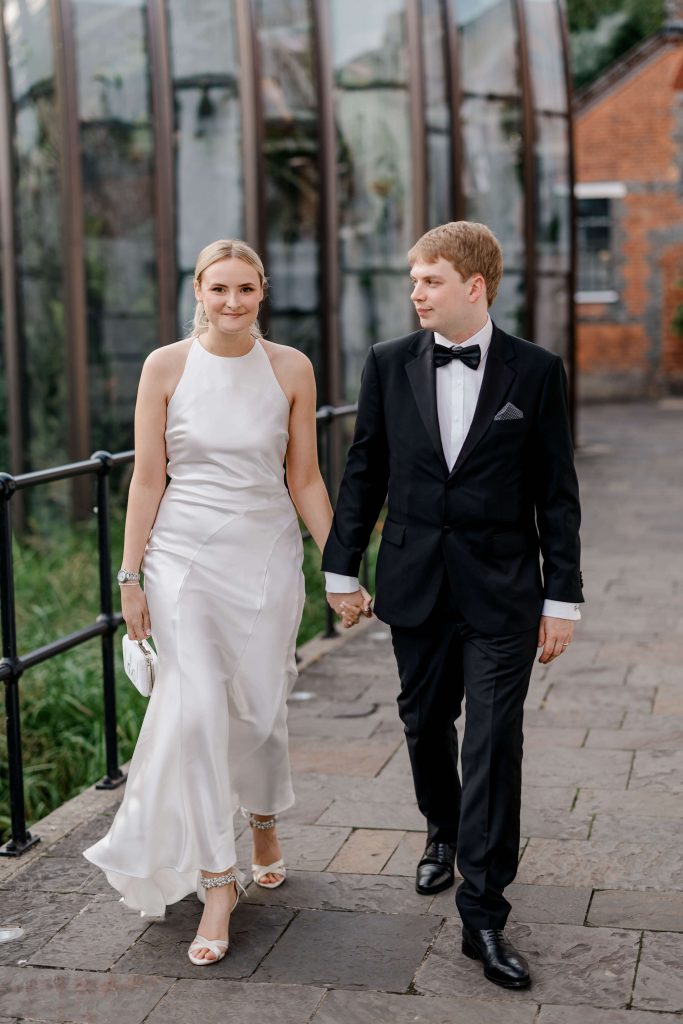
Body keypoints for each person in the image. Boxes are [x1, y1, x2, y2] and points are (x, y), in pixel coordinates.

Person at [84, 238, 367, 967]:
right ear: (197, 292)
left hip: (265, 555)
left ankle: (264, 817)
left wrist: (341, 571)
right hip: (182, 559)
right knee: (200, 708)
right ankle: (218, 880)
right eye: (219, 290)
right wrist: (129, 576)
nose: (232, 302)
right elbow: (147, 478)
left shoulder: (292, 369)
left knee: (259, 707)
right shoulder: (165, 367)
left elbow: (304, 478)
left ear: (262, 292)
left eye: (245, 289)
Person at [322, 221, 583, 990]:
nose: (415, 293)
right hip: (415, 581)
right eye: (412, 280)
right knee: (422, 719)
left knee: (494, 744)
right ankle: (440, 827)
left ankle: (483, 914)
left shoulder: (536, 373)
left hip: (504, 590)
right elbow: (364, 469)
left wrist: (561, 596)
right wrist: (342, 569)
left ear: (474, 286)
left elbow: (556, 494)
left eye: (428, 280)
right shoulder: (388, 363)